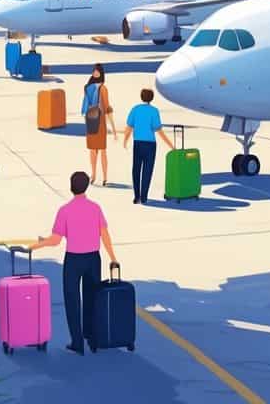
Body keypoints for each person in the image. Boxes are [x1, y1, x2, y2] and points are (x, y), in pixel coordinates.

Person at [30, 171, 119, 356]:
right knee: (92, 298)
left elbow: (55, 240)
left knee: (72, 300)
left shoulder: (65, 210)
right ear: (86, 186)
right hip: (93, 258)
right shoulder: (95, 208)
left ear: (71, 186)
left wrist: (38, 244)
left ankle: (77, 342)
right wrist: (112, 257)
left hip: (74, 259)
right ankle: (92, 336)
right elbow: (104, 234)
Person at [123, 88, 173, 205]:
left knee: (136, 169)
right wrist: (170, 145)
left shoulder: (135, 109)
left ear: (141, 96)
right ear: (151, 98)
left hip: (138, 143)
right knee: (147, 170)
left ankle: (136, 197)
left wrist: (125, 140)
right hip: (150, 144)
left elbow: (129, 127)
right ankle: (144, 197)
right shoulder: (154, 111)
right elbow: (159, 130)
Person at [81, 64, 117, 186]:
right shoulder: (97, 88)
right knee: (96, 150)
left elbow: (106, 107)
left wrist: (112, 127)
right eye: (94, 71)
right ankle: (97, 175)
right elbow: (107, 108)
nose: (95, 73)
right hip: (97, 119)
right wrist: (113, 127)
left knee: (98, 150)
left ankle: (102, 176)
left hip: (92, 119)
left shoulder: (94, 88)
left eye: (97, 71)